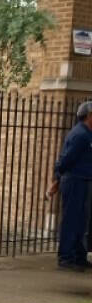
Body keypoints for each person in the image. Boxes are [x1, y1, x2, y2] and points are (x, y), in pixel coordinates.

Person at [49, 100, 92, 270]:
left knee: (82, 221)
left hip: (84, 181)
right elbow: (66, 159)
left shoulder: (88, 134)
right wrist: (57, 177)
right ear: (89, 116)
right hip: (74, 180)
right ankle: (66, 257)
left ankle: (78, 256)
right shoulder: (79, 135)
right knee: (71, 220)